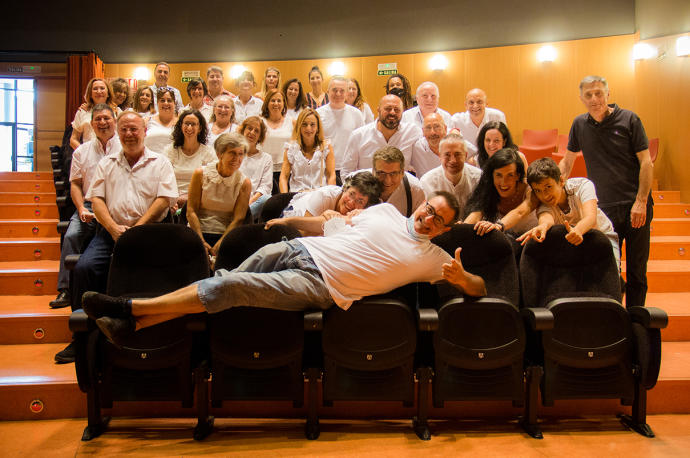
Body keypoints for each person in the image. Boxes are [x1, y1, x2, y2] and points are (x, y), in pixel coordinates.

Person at [82, 192, 487, 345]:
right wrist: (297, 221)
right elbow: (332, 226)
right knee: (223, 282)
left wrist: (462, 278)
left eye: (437, 219)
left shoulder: (434, 259)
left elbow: (479, 289)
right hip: (298, 247)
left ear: (446, 228)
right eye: (427, 208)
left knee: (230, 287)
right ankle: (132, 327)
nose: (427, 218)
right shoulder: (382, 210)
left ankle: (129, 308)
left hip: (318, 284)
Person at [66, 112, 178, 355]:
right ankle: (80, 340)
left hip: (149, 234)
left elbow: (163, 201)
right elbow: (96, 200)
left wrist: (137, 229)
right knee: (84, 269)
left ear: (144, 132)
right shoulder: (106, 164)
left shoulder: (160, 162)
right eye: (124, 129)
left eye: (134, 129)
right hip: (110, 232)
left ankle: (152, 334)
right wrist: (114, 228)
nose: (129, 134)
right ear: (118, 132)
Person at [559, 75, 653, 307]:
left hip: (634, 206)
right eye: (588, 95)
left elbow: (646, 162)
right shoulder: (579, 124)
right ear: (581, 98)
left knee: (637, 273)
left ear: (608, 94)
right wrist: (550, 187)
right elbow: (567, 163)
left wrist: (640, 201)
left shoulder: (629, 119)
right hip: (603, 210)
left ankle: (636, 321)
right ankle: (614, 317)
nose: (594, 99)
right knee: (608, 269)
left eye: (598, 93)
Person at [50, 104, 122, 315]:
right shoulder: (81, 151)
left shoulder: (123, 147)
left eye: (106, 118)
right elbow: (75, 184)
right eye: (98, 119)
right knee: (72, 235)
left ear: (114, 121)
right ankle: (65, 289)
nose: (102, 123)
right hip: (89, 206)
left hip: (115, 205)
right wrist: (81, 207)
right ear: (91, 124)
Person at [517, 157, 620, 269]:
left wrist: (578, 230)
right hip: (574, 244)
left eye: (548, 187)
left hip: (603, 235)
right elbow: (546, 219)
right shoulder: (543, 204)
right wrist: (542, 227)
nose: (545, 195)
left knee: (612, 278)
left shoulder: (582, 185)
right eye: (538, 190)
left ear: (561, 181)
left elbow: (590, 217)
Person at [187, 132, 252, 259]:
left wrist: (220, 243)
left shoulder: (244, 183)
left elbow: (238, 219)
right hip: (198, 231)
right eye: (232, 153)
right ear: (219, 154)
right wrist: (201, 241)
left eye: (240, 154)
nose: (237, 159)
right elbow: (191, 211)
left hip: (226, 233)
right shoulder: (200, 174)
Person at [464, 148, 539, 239]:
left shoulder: (530, 189)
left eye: (510, 175)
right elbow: (477, 212)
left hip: (533, 243)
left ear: (517, 176)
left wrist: (499, 226)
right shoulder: (489, 189)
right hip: (506, 245)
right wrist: (463, 228)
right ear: (492, 175)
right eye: (499, 175)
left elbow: (520, 212)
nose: (504, 182)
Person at [341, 94, 422, 176]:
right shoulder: (358, 136)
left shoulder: (412, 132)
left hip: (400, 187)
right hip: (368, 187)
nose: (392, 112)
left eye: (397, 110)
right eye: (388, 109)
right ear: (378, 110)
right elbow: (346, 172)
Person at [279, 171, 381, 232]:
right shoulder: (324, 196)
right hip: (291, 218)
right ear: (345, 188)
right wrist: (323, 218)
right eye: (351, 194)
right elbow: (302, 235)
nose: (351, 203)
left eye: (360, 201)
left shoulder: (361, 214)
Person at [165, 109, 215, 211]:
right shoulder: (170, 151)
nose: (189, 127)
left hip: (198, 203)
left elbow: (212, 184)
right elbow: (163, 179)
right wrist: (171, 200)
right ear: (181, 126)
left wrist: (185, 199)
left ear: (200, 128)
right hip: (172, 202)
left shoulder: (208, 152)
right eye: (186, 123)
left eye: (193, 124)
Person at [420, 133, 481, 216]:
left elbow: (481, 212)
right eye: (447, 155)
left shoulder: (479, 178)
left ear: (466, 155)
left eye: (457, 154)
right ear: (440, 156)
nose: (453, 160)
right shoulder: (427, 181)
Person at [317, 76, 365, 181]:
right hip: (324, 169)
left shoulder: (356, 114)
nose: (338, 94)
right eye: (334, 90)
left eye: (342, 91)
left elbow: (362, 142)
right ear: (328, 91)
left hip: (350, 169)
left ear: (347, 92)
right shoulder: (318, 114)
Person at [279, 108, 336, 192]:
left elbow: (331, 175)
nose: (308, 128)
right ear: (299, 127)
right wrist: (285, 199)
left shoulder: (326, 147)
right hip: (297, 197)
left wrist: (330, 196)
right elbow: (283, 177)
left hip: (320, 197)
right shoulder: (290, 149)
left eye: (312, 124)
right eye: (304, 124)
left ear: (317, 128)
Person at [410, 112, 471, 178]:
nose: (432, 132)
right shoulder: (417, 148)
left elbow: (475, 154)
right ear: (423, 131)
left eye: (437, 127)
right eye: (428, 128)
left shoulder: (456, 142)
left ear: (445, 128)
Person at [371, 146, 425, 217]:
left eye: (393, 174)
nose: (388, 180)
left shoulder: (415, 191)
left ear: (402, 172)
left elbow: (418, 225)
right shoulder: (357, 183)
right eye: (381, 173)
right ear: (373, 171)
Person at [238, 116, 273, 220]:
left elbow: (265, 187)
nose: (252, 133)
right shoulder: (234, 153)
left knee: (266, 199)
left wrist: (249, 204)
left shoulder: (266, 158)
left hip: (253, 204)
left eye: (256, 131)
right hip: (233, 201)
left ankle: (240, 218)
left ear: (260, 136)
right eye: (249, 128)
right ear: (243, 130)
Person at [451, 88, 506, 154]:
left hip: (493, 159)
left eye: (479, 102)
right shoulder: (456, 120)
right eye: (471, 102)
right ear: (466, 105)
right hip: (466, 162)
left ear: (486, 103)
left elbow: (504, 142)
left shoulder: (498, 117)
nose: (475, 106)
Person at [69, 78, 117, 149]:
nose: (99, 91)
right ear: (90, 94)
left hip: (112, 155)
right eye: (95, 89)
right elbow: (73, 139)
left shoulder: (117, 112)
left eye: (102, 88)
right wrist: (84, 153)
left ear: (108, 93)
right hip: (89, 156)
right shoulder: (83, 111)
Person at [260, 89, 293, 188]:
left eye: (279, 101)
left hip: (286, 170)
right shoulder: (259, 122)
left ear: (284, 103)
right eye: (272, 100)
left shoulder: (292, 122)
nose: (276, 103)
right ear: (267, 103)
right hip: (264, 170)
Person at [144, 88, 177, 154]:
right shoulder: (147, 121)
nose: (166, 103)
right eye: (162, 100)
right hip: (151, 162)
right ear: (157, 103)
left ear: (174, 103)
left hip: (173, 162)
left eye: (169, 100)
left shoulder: (180, 123)